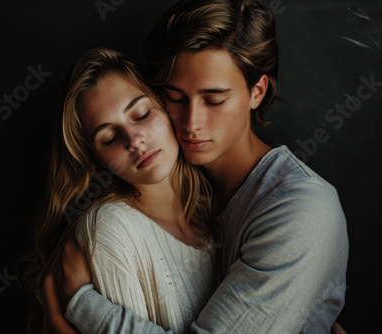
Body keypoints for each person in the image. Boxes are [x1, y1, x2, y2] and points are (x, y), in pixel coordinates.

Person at [46, 0, 349, 333]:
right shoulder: (182, 195)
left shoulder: (301, 209)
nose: (191, 123)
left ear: (256, 92)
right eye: (175, 98)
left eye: (214, 99)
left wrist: (78, 306)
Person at [19, 47, 221, 334]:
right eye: (110, 137)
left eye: (140, 114)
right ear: (96, 160)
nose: (135, 141)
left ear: (165, 106)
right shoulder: (110, 228)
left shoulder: (217, 208)